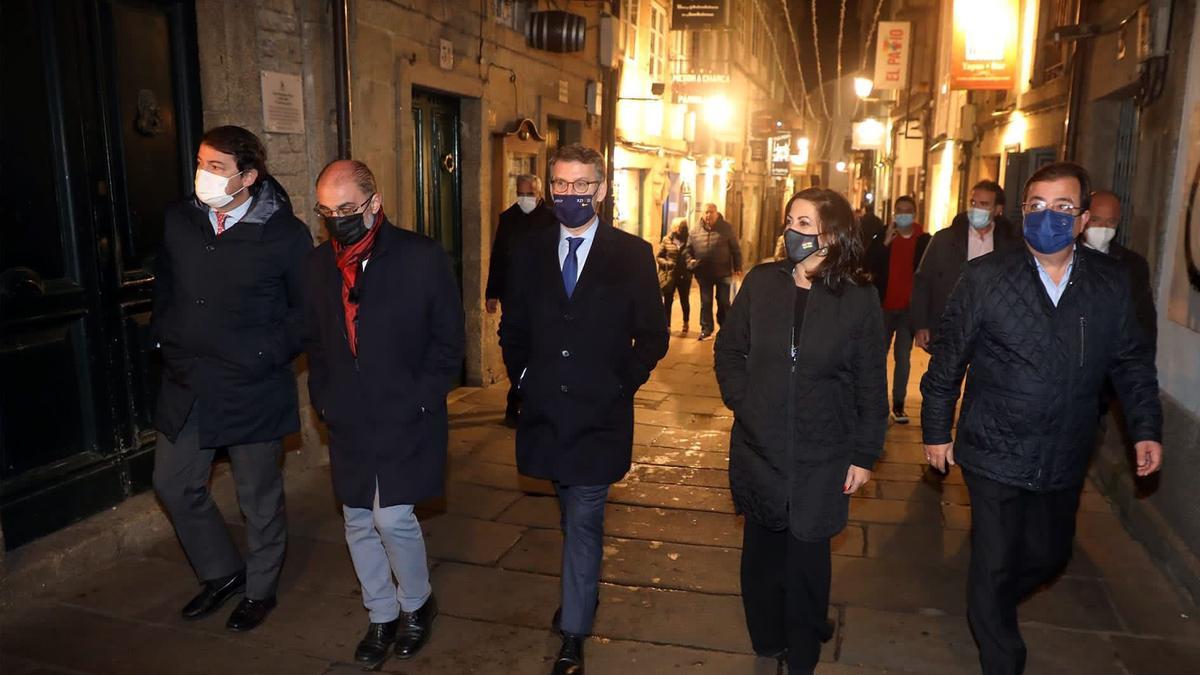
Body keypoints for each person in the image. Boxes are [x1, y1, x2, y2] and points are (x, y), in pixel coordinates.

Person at [921, 162, 1163, 675]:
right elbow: (948, 361)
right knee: (995, 556)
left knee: (1050, 555)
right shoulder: (986, 277)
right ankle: (1001, 653)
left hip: (1066, 448)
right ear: (1022, 212)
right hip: (993, 447)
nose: (1047, 217)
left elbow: (1132, 362)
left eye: (1061, 208)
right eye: (1036, 206)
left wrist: (1145, 427)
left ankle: (991, 597)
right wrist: (937, 430)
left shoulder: (1110, 283)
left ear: (1081, 220)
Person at [499, 143, 669, 675]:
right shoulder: (528, 250)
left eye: (580, 185)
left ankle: (573, 632)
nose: (569, 195)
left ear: (600, 188)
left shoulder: (632, 254)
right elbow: (514, 328)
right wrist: (522, 379)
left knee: (585, 519)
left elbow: (653, 336)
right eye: (560, 185)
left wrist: (624, 384)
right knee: (568, 511)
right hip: (547, 413)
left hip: (600, 418)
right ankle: (582, 590)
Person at [715, 188, 887, 675]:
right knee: (763, 557)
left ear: (833, 235)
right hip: (760, 444)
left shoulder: (856, 299)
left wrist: (864, 453)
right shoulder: (762, 283)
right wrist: (743, 402)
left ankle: (804, 653)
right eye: (791, 221)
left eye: (806, 224)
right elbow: (729, 351)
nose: (793, 231)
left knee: (808, 560)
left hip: (824, 448)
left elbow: (871, 383)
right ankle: (767, 638)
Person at [151, 125, 312, 632]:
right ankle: (221, 572)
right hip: (189, 379)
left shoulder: (285, 233)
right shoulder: (180, 221)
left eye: (217, 167)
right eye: (201, 162)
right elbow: (166, 289)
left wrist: (265, 352)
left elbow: (305, 312)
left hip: (252, 383)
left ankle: (260, 589)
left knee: (257, 497)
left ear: (248, 176)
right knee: (173, 483)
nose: (204, 174)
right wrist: (166, 338)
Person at [303, 160, 464, 664]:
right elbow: (317, 340)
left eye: (347, 209)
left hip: (405, 410)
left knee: (392, 516)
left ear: (375, 204)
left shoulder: (421, 256)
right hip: (349, 413)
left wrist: (423, 396)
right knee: (356, 518)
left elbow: (448, 340)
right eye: (326, 211)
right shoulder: (315, 264)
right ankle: (381, 614)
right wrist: (323, 398)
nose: (337, 221)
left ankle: (417, 604)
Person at [911, 180, 1021, 351]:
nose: (976, 209)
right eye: (973, 203)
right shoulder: (944, 239)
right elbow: (922, 282)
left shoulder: (1010, 244)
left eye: (984, 204)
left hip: (991, 329)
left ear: (998, 209)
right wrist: (921, 324)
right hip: (951, 325)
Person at [486, 173, 558, 427]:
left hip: (543, 299)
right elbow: (498, 257)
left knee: (536, 349)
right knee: (512, 348)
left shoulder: (553, 220)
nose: (524, 198)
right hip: (514, 297)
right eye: (520, 192)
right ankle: (519, 393)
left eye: (529, 193)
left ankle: (521, 399)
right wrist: (491, 293)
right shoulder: (508, 219)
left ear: (539, 194)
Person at [865, 195, 931, 424]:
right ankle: (876, 403)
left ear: (914, 214)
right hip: (882, 307)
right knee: (877, 357)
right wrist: (884, 242)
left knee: (903, 358)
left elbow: (928, 276)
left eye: (907, 210)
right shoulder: (883, 235)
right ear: (894, 213)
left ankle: (899, 405)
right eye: (899, 210)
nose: (903, 214)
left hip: (907, 311)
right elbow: (867, 263)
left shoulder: (924, 241)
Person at [1081, 190, 1156, 348]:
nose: (1103, 228)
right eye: (1096, 220)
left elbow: (1143, 321)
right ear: (1084, 217)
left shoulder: (1133, 265)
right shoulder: (1064, 257)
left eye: (1111, 222)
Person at [688, 203, 743, 340]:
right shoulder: (695, 230)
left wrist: (738, 268)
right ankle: (706, 328)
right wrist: (690, 262)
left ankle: (725, 327)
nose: (708, 215)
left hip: (723, 272)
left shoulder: (726, 228)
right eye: (706, 212)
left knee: (723, 301)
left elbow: (735, 250)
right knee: (705, 303)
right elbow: (687, 250)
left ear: (717, 213)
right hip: (703, 273)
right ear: (702, 214)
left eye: (711, 212)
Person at [657, 217, 695, 335]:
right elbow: (659, 256)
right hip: (670, 275)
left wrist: (691, 264)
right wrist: (667, 264)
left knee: (684, 300)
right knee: (668, 301)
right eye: (678, 227)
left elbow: (694, 254)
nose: (680, 229)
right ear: (673, 227)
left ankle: (686, 323)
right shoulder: (667, 240)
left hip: (684, 275)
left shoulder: (690, 240)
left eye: (682, 226)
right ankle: (667, 325)